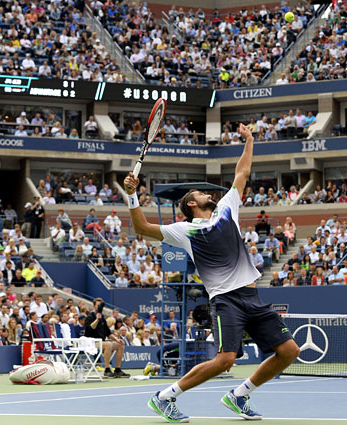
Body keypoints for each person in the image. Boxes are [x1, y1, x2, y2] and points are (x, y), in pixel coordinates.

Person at [123, 123, 299, 422]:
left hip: (252, 297)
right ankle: (164, 397)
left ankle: (239, 394)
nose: (208, 194)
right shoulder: (184, 230)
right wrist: (131, 195)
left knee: (289, 351)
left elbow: (242, 172)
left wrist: (249, 141)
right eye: (202, 193)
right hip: (226, 300)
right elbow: (142, 227)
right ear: (192, 204)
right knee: (225, 359)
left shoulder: (227, 208)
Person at [85, 298, 130, 378]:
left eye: (100, 306)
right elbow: (91, 327)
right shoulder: (89, 317)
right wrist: (97, 319)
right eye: (98, 305)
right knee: (108, 344)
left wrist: (117, 339)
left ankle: (117, 370)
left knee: (120, 344)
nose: (99, 307)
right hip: (92, 343)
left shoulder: (103, 319)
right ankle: (107, 370)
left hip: (102, 342)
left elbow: (108, 333)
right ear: (94, 306)